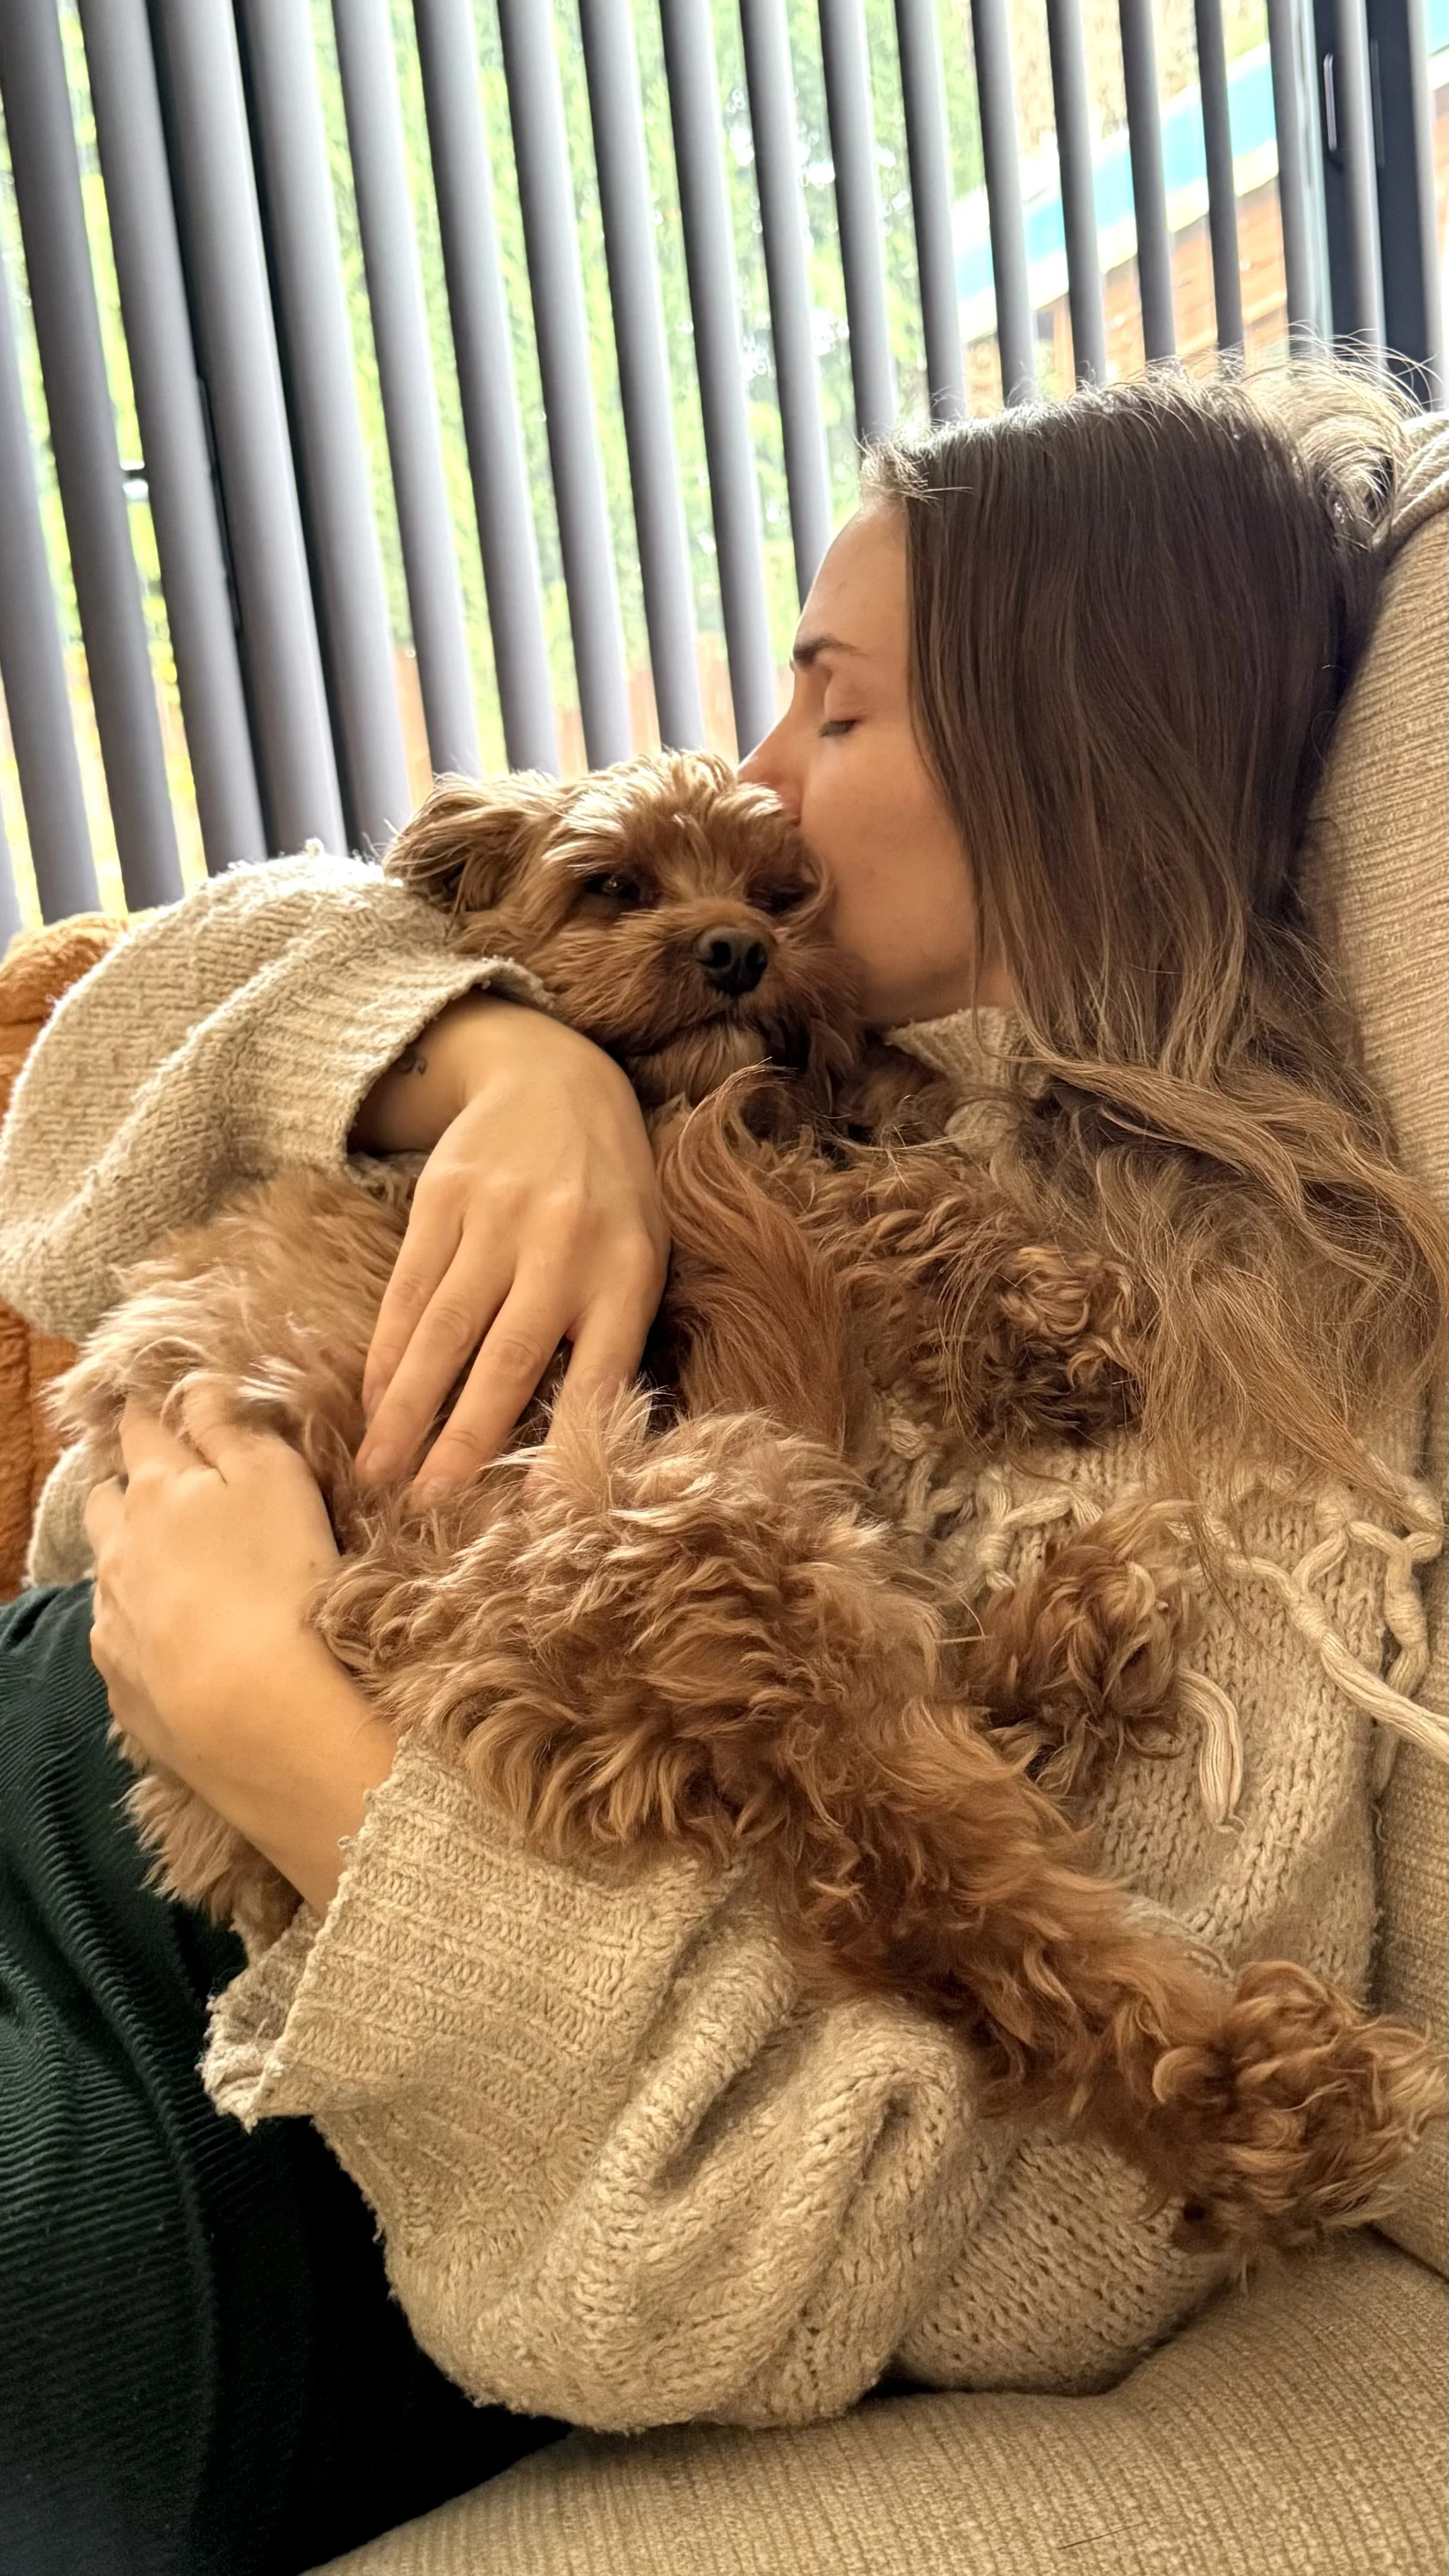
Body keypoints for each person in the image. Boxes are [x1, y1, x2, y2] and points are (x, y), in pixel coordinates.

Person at [0, 363, 1444, 2571]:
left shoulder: (1242, 1370)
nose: (762, 783)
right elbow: (84, 1100)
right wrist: (495, 1068)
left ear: (1062, 757)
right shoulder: (667, 1058)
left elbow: (994, 2251)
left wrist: (318, 1768)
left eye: (832, 710)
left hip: (212, 2050)